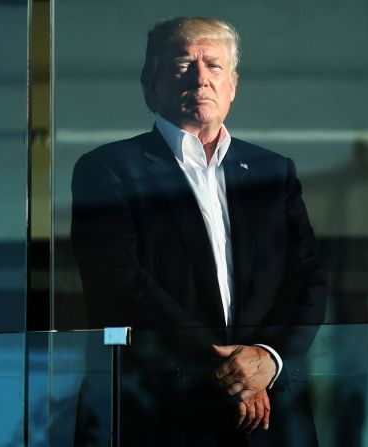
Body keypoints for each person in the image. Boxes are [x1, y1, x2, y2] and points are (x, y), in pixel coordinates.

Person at [71, 16, 327, 446]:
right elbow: (119, 281)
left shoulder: (272, 171)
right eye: (182, 65)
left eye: (214, 66)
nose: (200, 79)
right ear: (150, 86)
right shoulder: (108, 169)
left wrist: (267, 358)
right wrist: (230, 370)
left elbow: (309, 277)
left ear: (233, 85)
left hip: (269, 417)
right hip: (158, 412)